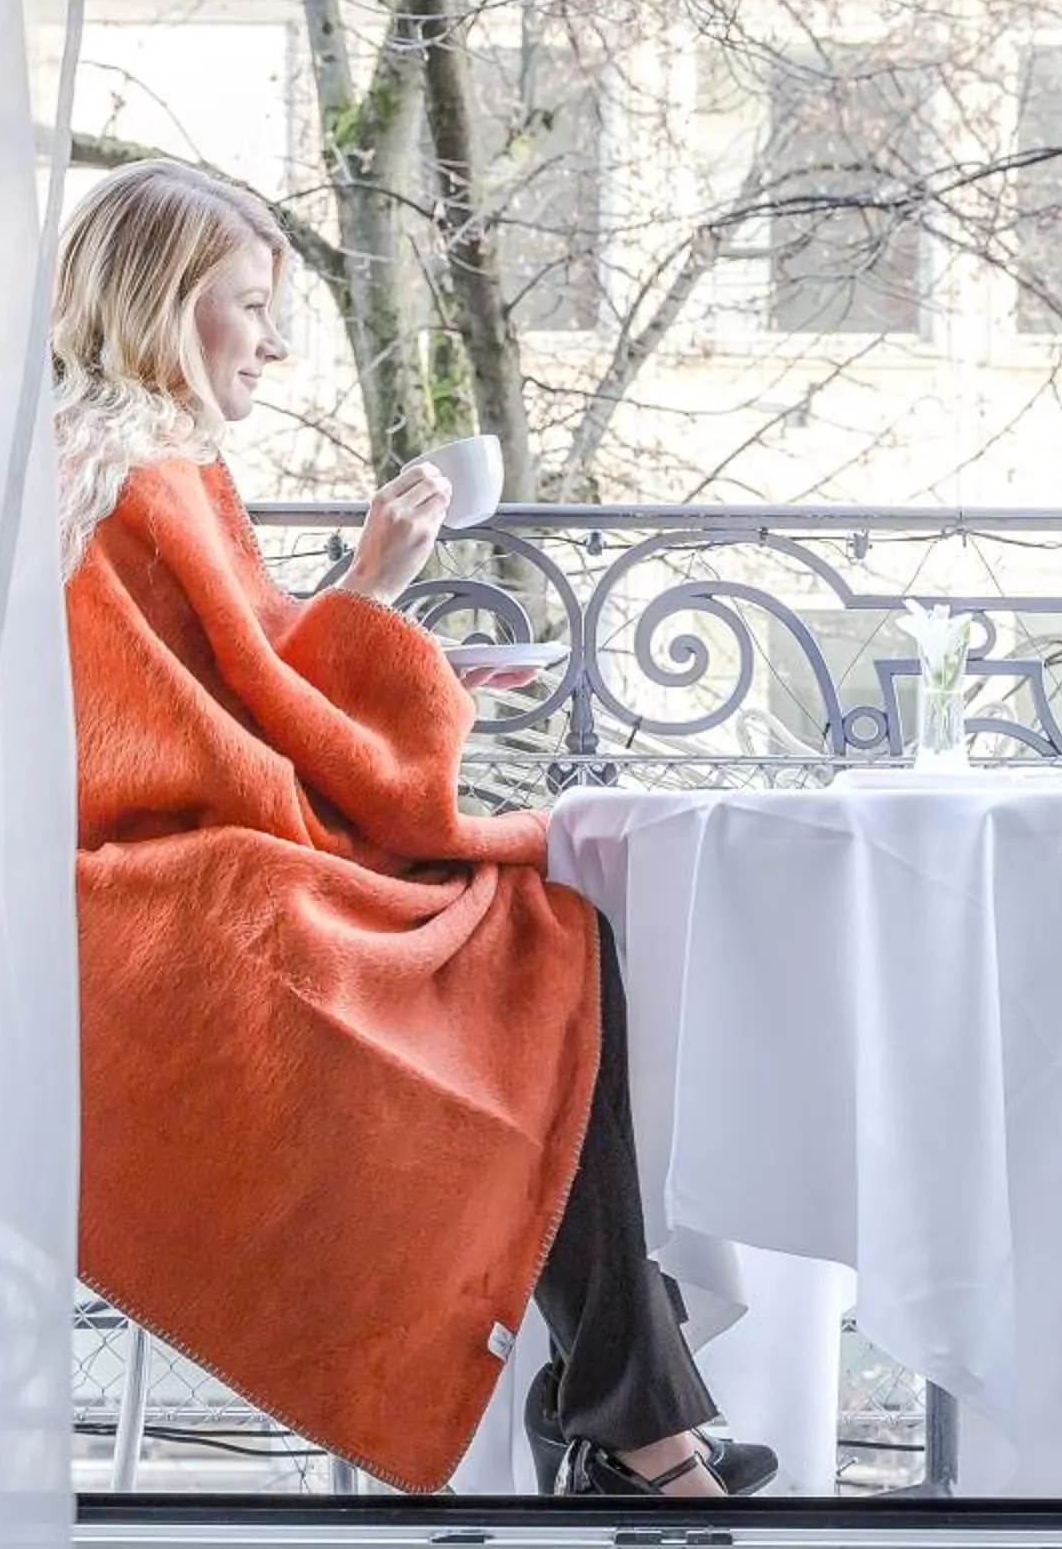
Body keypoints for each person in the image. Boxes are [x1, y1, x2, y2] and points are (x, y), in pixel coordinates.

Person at [56, 158, 777, 1499]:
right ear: (160, 302)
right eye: (249, 306)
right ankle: (633, 1403)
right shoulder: (131, 469)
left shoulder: (134, 458)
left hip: (184, 868)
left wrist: (383, 621)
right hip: (157, 894)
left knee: (547, 939)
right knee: (540, 940)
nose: (271, 344)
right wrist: (384, 622)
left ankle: (633, 1399)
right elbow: (217, 730)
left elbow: (232, 688)